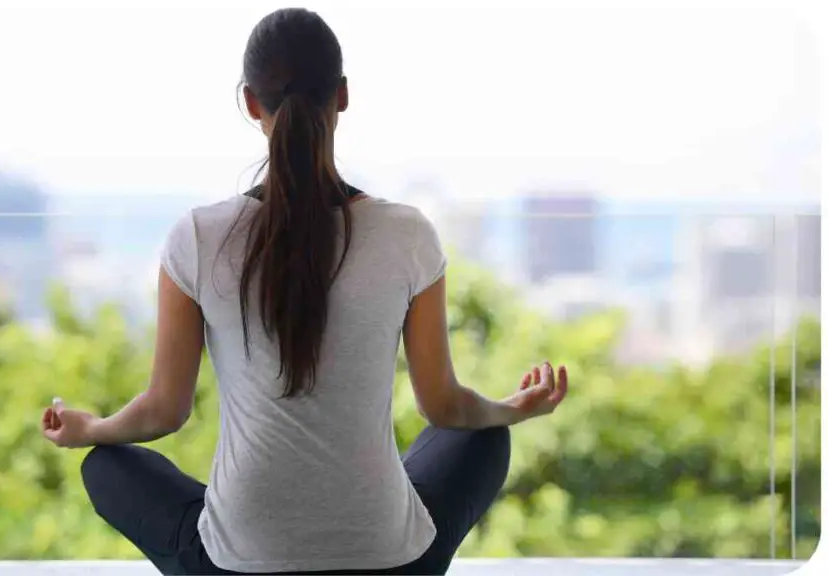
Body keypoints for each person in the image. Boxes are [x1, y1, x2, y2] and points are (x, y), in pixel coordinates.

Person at [41, 7, 569, 575]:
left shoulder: (197, 236)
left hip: (235, 566)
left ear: (250, 103)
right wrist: (511, 409)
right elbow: (442, 405)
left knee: (105, 465)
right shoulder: (407, 233)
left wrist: (90, 428)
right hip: (392, 563)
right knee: (483, 436)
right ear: (342, 96)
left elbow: (164, 412)